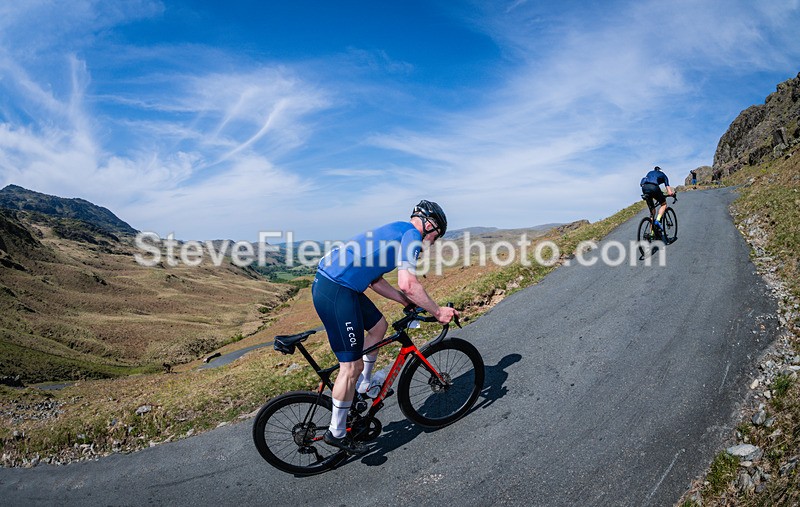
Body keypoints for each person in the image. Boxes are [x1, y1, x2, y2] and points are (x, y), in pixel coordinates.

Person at [312, 200, 459, 454]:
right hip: (336, 290)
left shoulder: (398, 230)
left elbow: (375, 280)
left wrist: (404, 302)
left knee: (379, 326)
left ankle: (364, 385)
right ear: (430, 225)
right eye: (436, 236)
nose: (433, 242)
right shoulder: (412, 236)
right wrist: (437, 311)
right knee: (351, 366)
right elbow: (408, 283)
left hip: (341, 285)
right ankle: (336, 432)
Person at [640, 166, 675, 240]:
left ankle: (652, 233)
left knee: (652, 212)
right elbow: (669, 191)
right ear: (661, 171)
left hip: (644, 188)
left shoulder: (650, 172)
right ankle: (658, 221)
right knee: (663, 204)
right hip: (654, 188)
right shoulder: (664, 175)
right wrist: (672, 194)